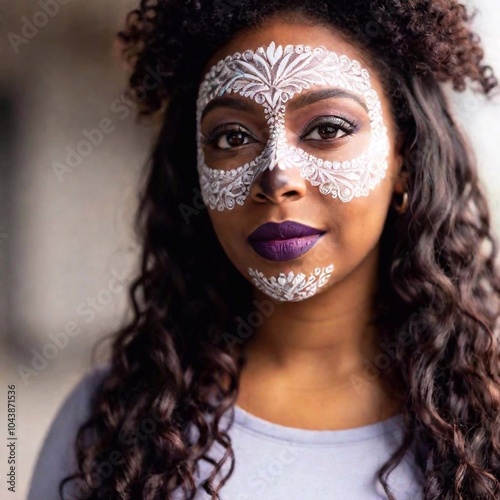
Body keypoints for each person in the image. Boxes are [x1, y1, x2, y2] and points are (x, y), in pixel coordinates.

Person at [28, 1, 500, 499]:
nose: (276, 178)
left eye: (327, 129)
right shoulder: (111, 423)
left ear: (403, 160)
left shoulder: (487, 421)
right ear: (197, 174)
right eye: (233, 136)